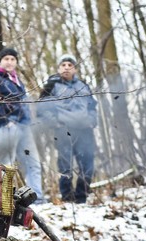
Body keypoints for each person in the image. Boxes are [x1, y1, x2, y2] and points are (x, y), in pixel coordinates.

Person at [0, 47, 44, 203]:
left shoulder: (17, 80)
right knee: (6, 165)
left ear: (16, 62)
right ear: (0, 61)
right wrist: (5, 121)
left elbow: (23, 104)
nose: (9, 62)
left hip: (24, 127)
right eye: (6, 59)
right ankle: (6, 201)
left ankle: (36, 199)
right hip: (6, 127)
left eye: (12, 59)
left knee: (33, 163)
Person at [39, 53, 98, 203]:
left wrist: (92, 120)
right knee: (65, 165)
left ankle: (81, 197)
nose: (66, 68)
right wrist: (54, 122)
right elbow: (42, 107)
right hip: (63, 130)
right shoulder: (51, 85)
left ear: (75, 69)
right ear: (58, 69)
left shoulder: (83, 86)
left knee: (88, 164)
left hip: (85, 130)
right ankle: (67, 197)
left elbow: (92, 106)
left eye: (69, 65)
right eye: (63, 65)